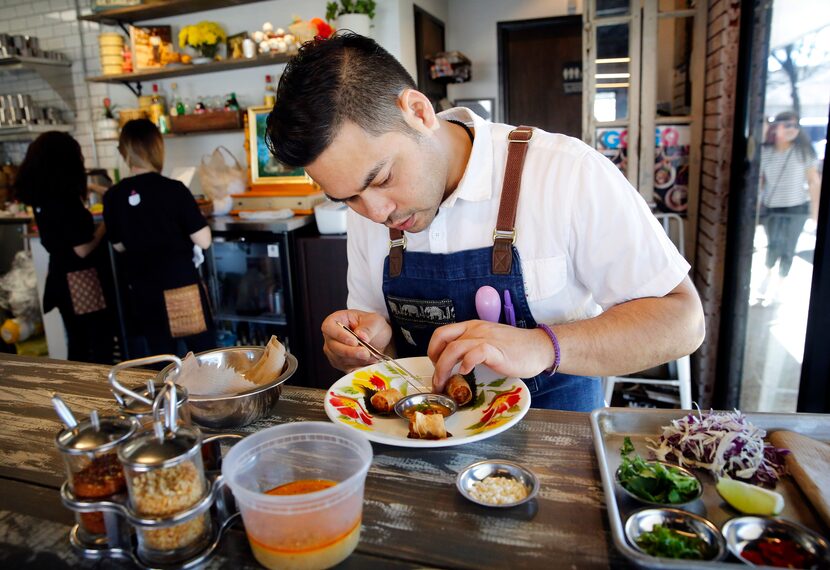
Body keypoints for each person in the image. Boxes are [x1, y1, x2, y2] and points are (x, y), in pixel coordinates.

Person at [266, 34, 705, 411]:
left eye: (382, 178)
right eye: (348, 200)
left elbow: (682, 320)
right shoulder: (371, 208)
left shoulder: (566, 172)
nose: (377, 214)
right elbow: (382, 348)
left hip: (556, 454)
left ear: (418, 112)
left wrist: (541, 346)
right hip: (424, 447)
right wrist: (365, 348)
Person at [103, 119, 214, 357]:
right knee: (203, 359)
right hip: (181, 288)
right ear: (157, 148)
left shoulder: (113, 196)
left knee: (160, 361)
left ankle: (166, 396)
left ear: (125, 152)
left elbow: (119, 245)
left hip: (144, 292)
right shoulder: (174, 190)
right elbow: (204, 241)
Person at [14, 131, 116, 363]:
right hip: (81, 282)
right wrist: (105, 225)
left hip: (60, 280)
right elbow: (82, 249)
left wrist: (93, 188)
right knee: (97, 347)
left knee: (77, 343)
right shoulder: (64, 202)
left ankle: (77, 393)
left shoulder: (42, 197)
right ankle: (97, 395)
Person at [756, 111, 821, 303]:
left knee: (788, 248)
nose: (790, 129)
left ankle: (779, 285)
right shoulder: (766, 152)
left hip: (796, 208)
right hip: (772, 206)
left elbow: (813, 182)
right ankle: (767, 276)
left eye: (794, 125)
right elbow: (759, 181)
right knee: (772, 245)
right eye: (786, 125)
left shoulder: (804, 152)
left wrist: (815, 212)